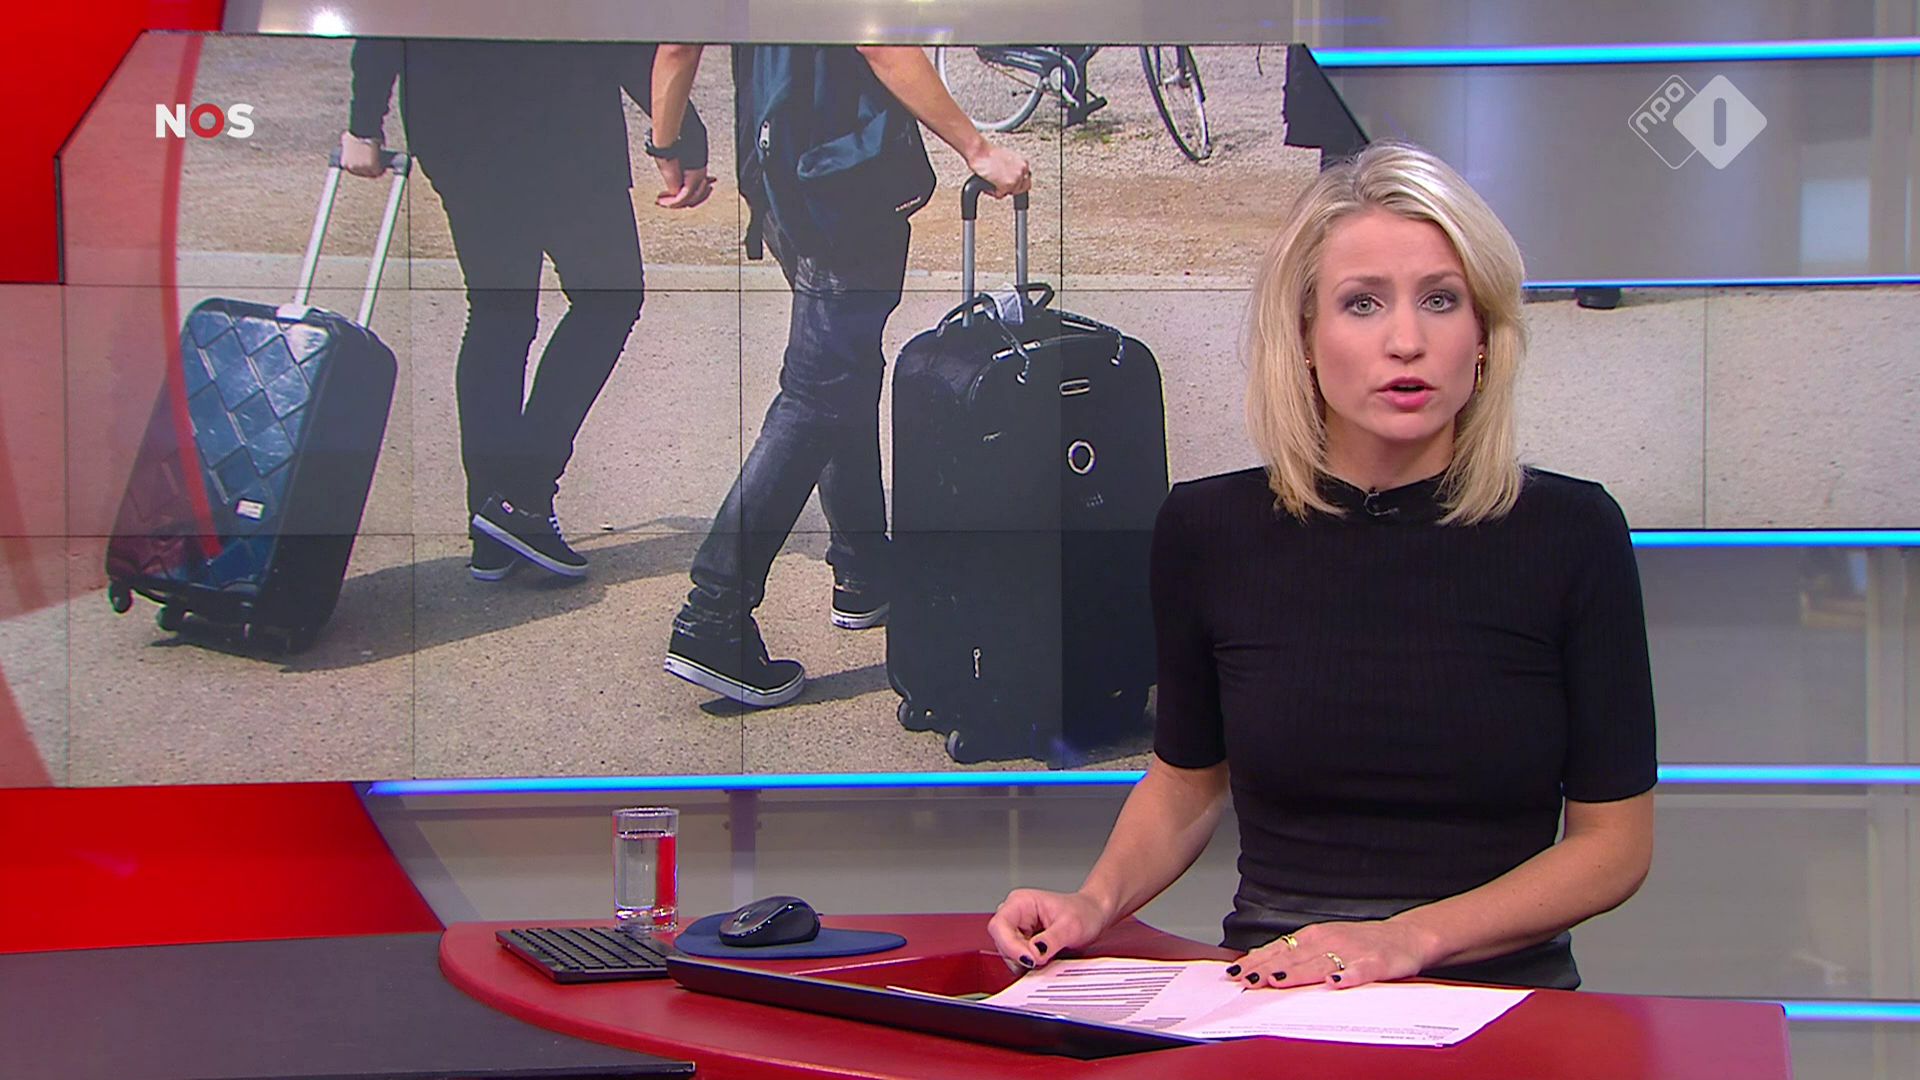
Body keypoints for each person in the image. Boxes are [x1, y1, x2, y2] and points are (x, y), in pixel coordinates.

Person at [987, 141, 1657, 991]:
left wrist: (1407, 941)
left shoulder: (1571, 533)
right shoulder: (1208, 529)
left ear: (1484, 337)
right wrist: (1096, 901)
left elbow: (1614, 845)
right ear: (1304, 336)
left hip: (1496, 999)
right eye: (1363, 303)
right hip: (1273, 986)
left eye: (1441, 300)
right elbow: (1186, 783)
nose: (1407, 341)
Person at [648, 45, 1031, 707]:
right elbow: (881, 41)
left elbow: (679, 41)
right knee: (818, 392)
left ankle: (862, 571)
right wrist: (978, 149)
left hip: (777, 171)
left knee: (841, 371)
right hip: (845, 177)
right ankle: (713, 613)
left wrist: (669, 143)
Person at [342, 40, 712, 580]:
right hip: (565, 117)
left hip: (454, 119)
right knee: (606, 299)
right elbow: (619, 30)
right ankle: (519, 501)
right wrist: (678, 140)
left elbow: (391, 17)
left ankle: (491, 525)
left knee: (500, 314)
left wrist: (364, 122)